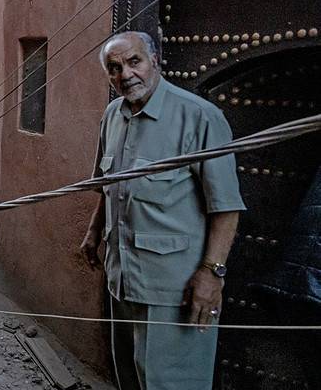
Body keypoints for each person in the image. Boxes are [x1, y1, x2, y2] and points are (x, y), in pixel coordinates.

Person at [80, 31, 246, 390]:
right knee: (130, 378)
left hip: (174, 289)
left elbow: (226, 208)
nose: (125, 74)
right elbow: (108, 186)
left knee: (171, 384)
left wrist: (212, 273)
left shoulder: (200, 117)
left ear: (154, 60)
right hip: (121, 280)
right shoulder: (113, 115)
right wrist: (94, 231)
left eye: (133, 61)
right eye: (114, 67)